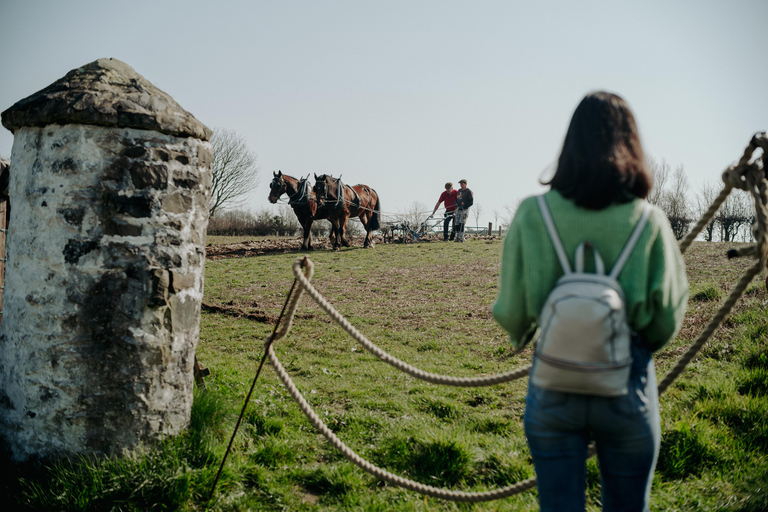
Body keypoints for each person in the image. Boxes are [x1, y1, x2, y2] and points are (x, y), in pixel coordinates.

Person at [492, 91, 688, 512]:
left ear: (570, 144)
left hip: (553, 380)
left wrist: (528, 332)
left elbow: (510, 311)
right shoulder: (649, 221)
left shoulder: (532, 214)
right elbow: (667, 318)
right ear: (631, 144)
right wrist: (631, 344)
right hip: (627, 381)